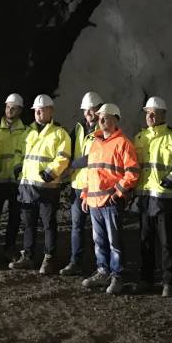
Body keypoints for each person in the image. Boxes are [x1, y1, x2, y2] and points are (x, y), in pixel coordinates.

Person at [133, 96, 172, 296]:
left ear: (163, 115)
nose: (150, 116)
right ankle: (146, 279)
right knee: (145, 242)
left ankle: (169, 282)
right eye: (147, 113)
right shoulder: (140, 138)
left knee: (167, 242)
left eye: (154, 113)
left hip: (165, 198)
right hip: (144, 197)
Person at [80, 104, 140, 295]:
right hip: (94, 202)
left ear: (116, 119)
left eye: (105, 117)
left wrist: (118, 192)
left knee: (115, 242)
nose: (101, 120)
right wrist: (85, 194)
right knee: (99, 241)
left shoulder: (123, 143)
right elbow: (91, 172)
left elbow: (132, 172)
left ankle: (117, 275)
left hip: (111, 202)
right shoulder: (95, 143)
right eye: (100, 117)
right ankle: (103, 271)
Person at [10, 94, 71, 274]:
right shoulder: (28, 132)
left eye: (41, 110)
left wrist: (50, 172)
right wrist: (18, 167)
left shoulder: (60, 133)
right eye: (36, 110)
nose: (38, 113)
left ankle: (49, 258)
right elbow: (19, 152)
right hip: (27, 187)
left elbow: (63, 157)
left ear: (51, 111)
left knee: (48, 225)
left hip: (47, 188)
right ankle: (28, 257)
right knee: (28, 224)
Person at [59, 91, 103, 276]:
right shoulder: (77, 129)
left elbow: (93, 156)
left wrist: (72, 165)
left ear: (99, 110)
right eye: (86, 110)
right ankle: (75, 262)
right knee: (76, 227)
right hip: (77, 186)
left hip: (94, 187)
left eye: (91, 110)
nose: (88, 113)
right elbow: (67, 148)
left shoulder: (103, 130)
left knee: (98, 230)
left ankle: (100, 266)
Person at [0, 93, 28, 266]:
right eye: (8, 107)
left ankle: (10, 248)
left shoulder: (26, 132)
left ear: (20, 110)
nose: (10, 110)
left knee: (14, 217)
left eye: (14, 108)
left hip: (16, 182)